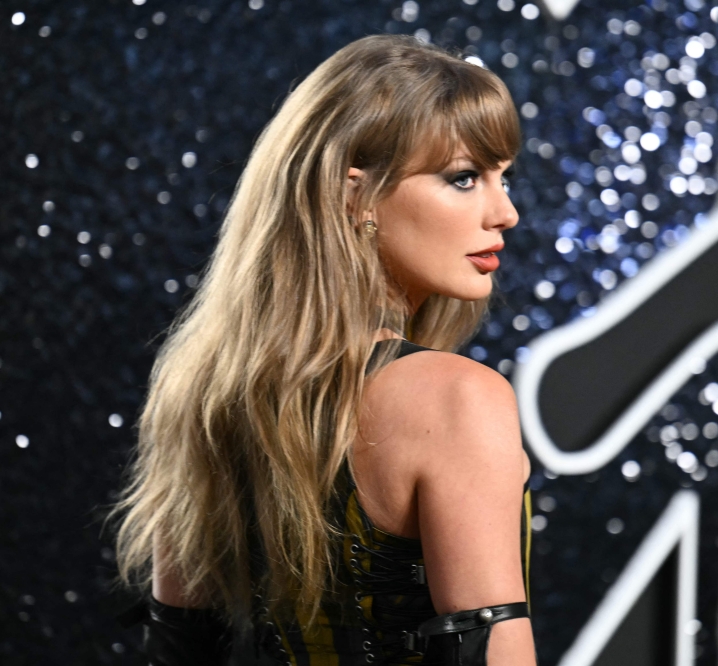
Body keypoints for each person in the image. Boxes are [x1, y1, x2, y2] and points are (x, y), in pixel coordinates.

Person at [113, 33, 535, 666]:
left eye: (503, 178)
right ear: (353, 195)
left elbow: (178, 649)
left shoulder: (201, 392)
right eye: (464, 178)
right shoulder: (457, 398)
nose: (505, 213)